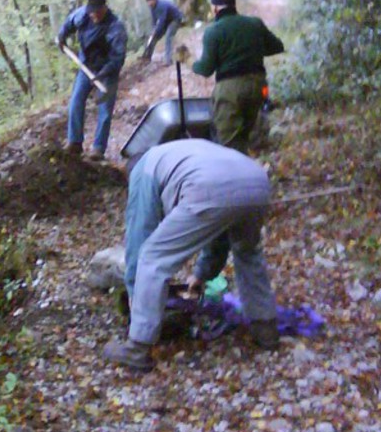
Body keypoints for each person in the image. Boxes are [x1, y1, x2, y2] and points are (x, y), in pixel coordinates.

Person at [103, 139, 279, 373]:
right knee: (248, 252)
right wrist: (201, 274)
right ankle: (266, 328)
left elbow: (139, 237)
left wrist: (136, 296)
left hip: (208, 186)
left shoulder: (142, 170)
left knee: (153, 257)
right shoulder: (179, 155)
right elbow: (218, 226)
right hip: (257, 181)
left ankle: (137, 347)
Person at [192, 0, 284, 153]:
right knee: (254, 139)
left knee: (230, 144)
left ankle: (238, 168)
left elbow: (206, 69)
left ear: (215, 8)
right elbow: (277, 46)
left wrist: (192, 63)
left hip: (230, 90)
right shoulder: (255, 24)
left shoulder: (213, 31)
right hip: (258, 85)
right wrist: (252, 50)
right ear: (233, 4)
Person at [57, 0, 128, 160]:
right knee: (76, 101)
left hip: (107, 71)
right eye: (91, 12)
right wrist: (62, 36)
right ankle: (75, 142)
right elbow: (68, 23)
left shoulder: (116, 28)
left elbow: (118, 58)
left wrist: (103, 73)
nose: (93, 15)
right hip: (86, 65)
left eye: (97, 12)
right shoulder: (82, 15)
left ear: (104, 9)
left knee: (105, 109)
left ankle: (98, 148)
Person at [141, 0, 183, 66]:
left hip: (175, 19)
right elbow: (154, 20)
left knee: (168, 36)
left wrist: (156, 31)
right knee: (153, 38)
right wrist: (153, 31)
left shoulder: (161, 5)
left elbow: (161, 20)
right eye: (148, 2)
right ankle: (147, 57)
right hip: (166, 21)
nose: (149, 3)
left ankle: (168, 60)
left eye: (150, 1)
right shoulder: (152, 7)